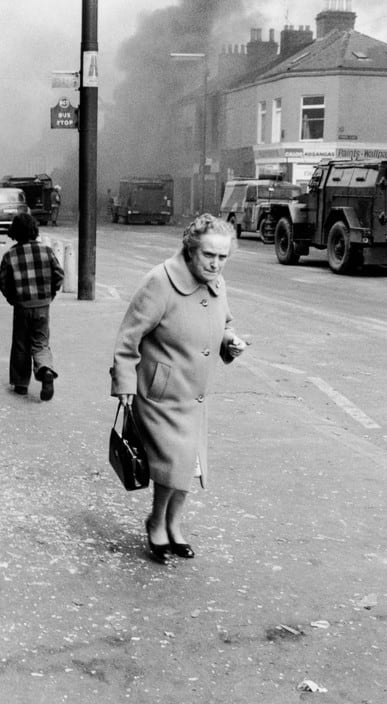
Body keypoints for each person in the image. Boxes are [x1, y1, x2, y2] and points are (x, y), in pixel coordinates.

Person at [110, 214, 247, 563]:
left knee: (191, 466)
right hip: (161, 394)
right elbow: (129, 338)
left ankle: (174, 526)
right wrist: (124, 382)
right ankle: (156, 523)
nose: (216, 264)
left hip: (195, 395)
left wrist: (230, 341)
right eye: (208, 255)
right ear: (190, 250)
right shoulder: (160, 281)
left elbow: (224, 323)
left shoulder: (218, 283)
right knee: (175, 462)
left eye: (223, 257)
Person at [0, 213, 63, 401]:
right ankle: (46, 370)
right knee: (40, 342)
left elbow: (3, 281)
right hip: (42, 305)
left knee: (20, 343)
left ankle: (21, 384)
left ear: (15, 232)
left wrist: (12, 298)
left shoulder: (10, 255)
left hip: (21, 305)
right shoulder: (47, 251)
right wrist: (50, 293)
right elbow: (58, 274)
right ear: (34, 230)